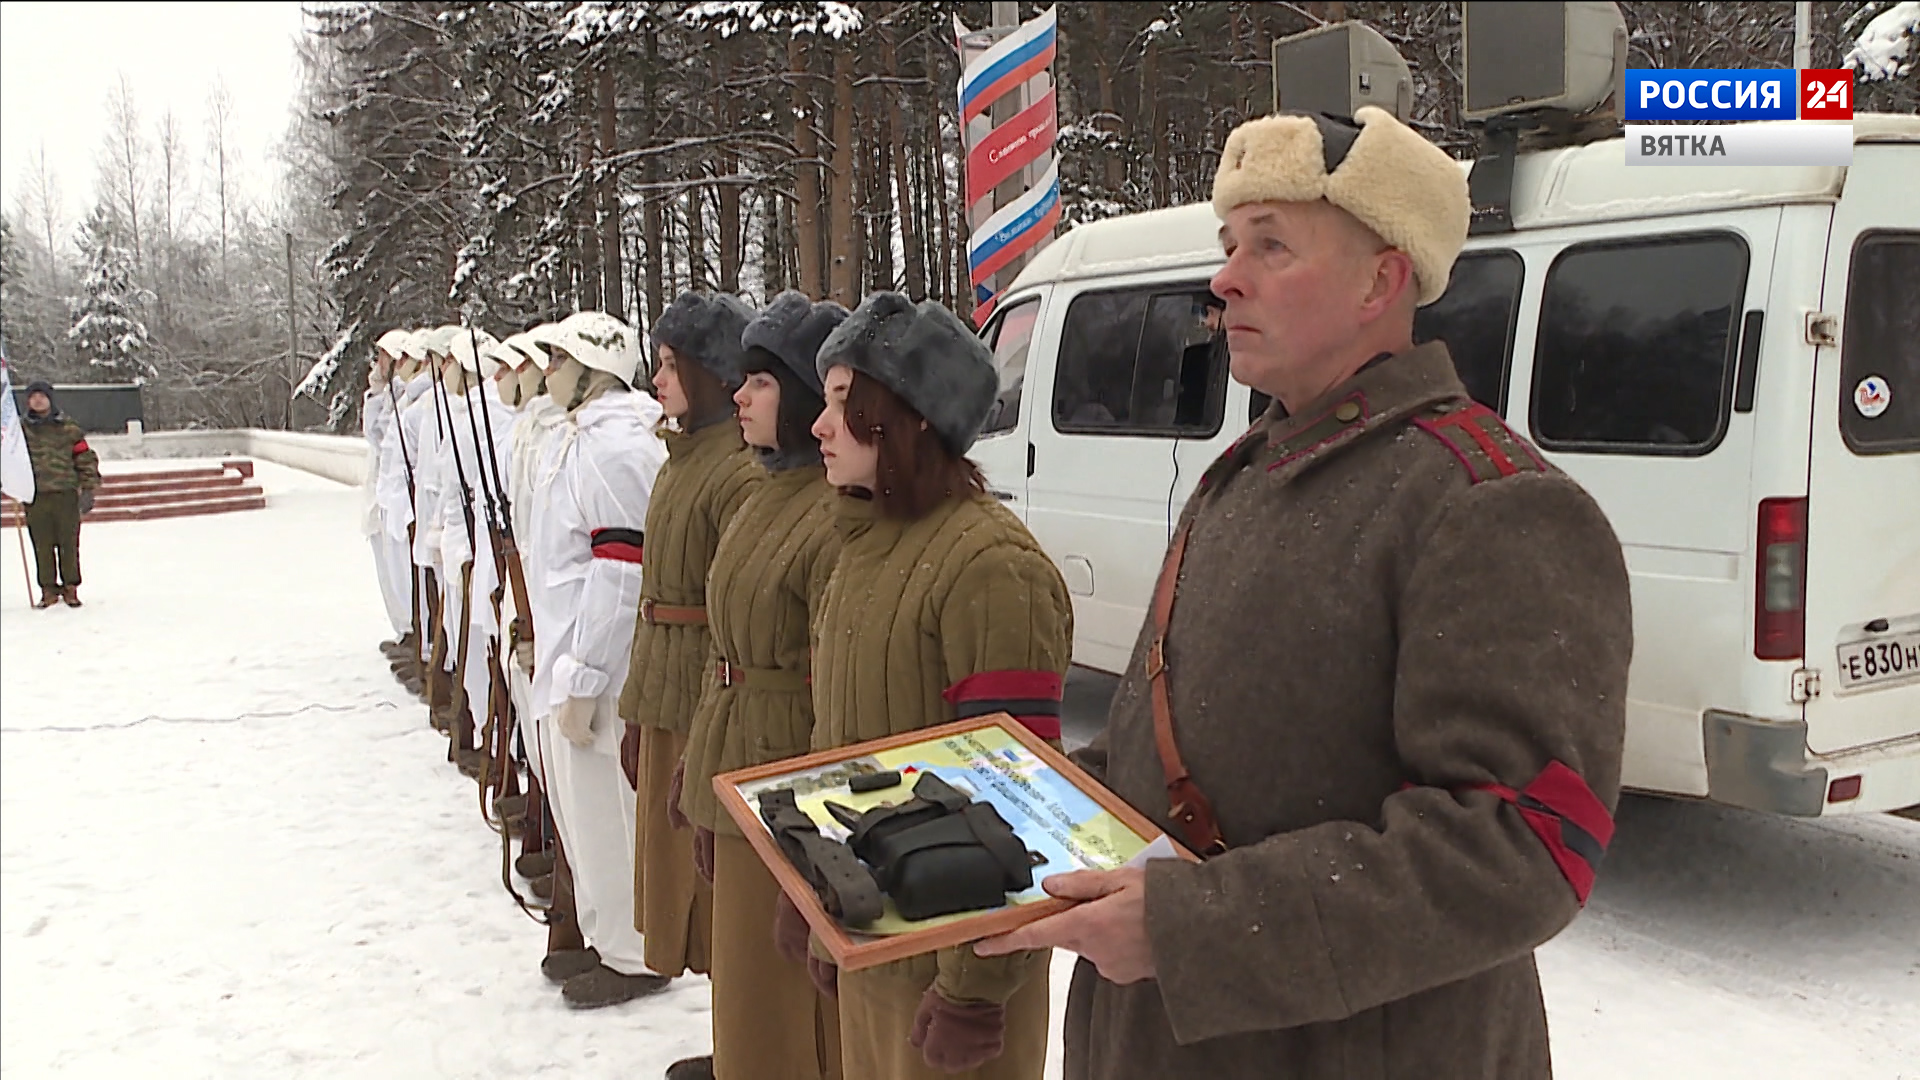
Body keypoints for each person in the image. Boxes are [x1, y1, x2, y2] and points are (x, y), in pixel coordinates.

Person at [974, 107, 1633, 1079]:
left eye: (1271, 247)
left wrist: (1191, 931)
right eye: (1230, 244)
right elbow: (1191, 739)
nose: (1224, 278)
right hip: (1165, 1037)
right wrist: (1007, 812)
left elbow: (1524, 843)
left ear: (1383, 276)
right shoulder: (1243, 473)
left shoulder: (1489, 501)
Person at [803, 292, 1073, 1080]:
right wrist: (827, 903)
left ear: (909, 416)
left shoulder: (993, 570)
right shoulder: (864, 548)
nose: (819, 426)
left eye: (845, 403)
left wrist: (976, 990)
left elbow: (1017, 802)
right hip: (880, 943)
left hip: (955, 975)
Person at [671, 291, 849, 1080]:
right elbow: (728, 646)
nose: (740, 396)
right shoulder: (761, 493)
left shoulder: (832, 513)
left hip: (784, 783)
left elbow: (827, 684)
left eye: (763, 382)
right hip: (737, 765)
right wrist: (700, 766)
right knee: (744, 982)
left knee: (787, 1001)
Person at [521, 310, 673, 1009]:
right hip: (569, 654)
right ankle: (602, 932)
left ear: (590, 367)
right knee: (582, 811)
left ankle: (634, 951)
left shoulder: (616, 448)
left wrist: (583, 673)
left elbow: (620, 571)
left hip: (604, 663)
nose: (547, 371)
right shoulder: (577, 439)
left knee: (612, 813)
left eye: (557, 358)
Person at [617, 290, 760, 992]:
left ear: (711, 369)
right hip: (664, 694)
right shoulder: (680, 461)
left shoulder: (735, 470)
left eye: (673, 364)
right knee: (677, 879)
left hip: (702, 701)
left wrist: (708, 721)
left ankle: (736, 1039)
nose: (658, 378)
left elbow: (730, 611)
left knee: (713, 890)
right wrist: (636, 710)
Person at [365, 330, 421, 667]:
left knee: (407, 574)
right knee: (392, 571)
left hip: (404, 501)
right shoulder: (389, 394)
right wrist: (375, 391)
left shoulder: (408, 398)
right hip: (386, 496)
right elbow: (372, 433)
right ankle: (406, 632)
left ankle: (418, 638)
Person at [20, 381, 101, 608]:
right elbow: (10, 460)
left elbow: (84, 458)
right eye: (33, 397)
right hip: (35, 495)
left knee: (68, 542)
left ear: (50, 399)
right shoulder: (20, 431)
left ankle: (70, 588)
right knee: (41, 544)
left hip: (65, 493)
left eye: (42, 396)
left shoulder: (69, 428)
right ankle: (48, 589)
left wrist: (88, 488)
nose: (38, 400)